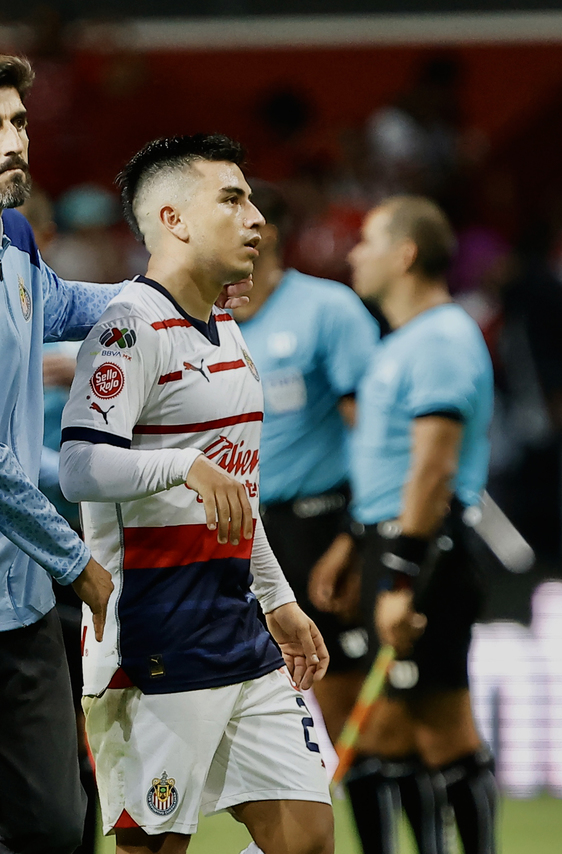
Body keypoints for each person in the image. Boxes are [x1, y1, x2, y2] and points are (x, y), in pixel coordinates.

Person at [0, 57, 250, 854]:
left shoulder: (13, 237)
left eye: (19, 122)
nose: (13, 141)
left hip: (12, 592)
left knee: (57, 829)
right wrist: (73, 562)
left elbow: (59, 305)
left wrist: (181, 297)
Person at [57, 134, 334, 854]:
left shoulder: (228, 331)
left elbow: (238, 493)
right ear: (173, 219)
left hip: (239, 632)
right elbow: (79, 467)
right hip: (154, 638)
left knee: (307, 842)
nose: (256, 219)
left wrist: (277, 599)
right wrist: (182, 466)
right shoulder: (129, 327)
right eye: (232, 199)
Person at [343, 196, 498, 854]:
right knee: (392, 732)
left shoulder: (440, 340)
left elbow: (433, 469)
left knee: (444, 729)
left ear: (405, 255)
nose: (354, 253)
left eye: (367, 240)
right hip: (388, 539)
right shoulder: (405, 341)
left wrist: (401, 576)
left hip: (425, 547)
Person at [232, 184, 382, 744]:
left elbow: (373, 434)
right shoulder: (201, 317)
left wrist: (355, 537)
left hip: (314, 524)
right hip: (234, 530)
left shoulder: (327, 309)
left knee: (344, 701)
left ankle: (369, 797)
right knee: (246, 704)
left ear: (265, 232)